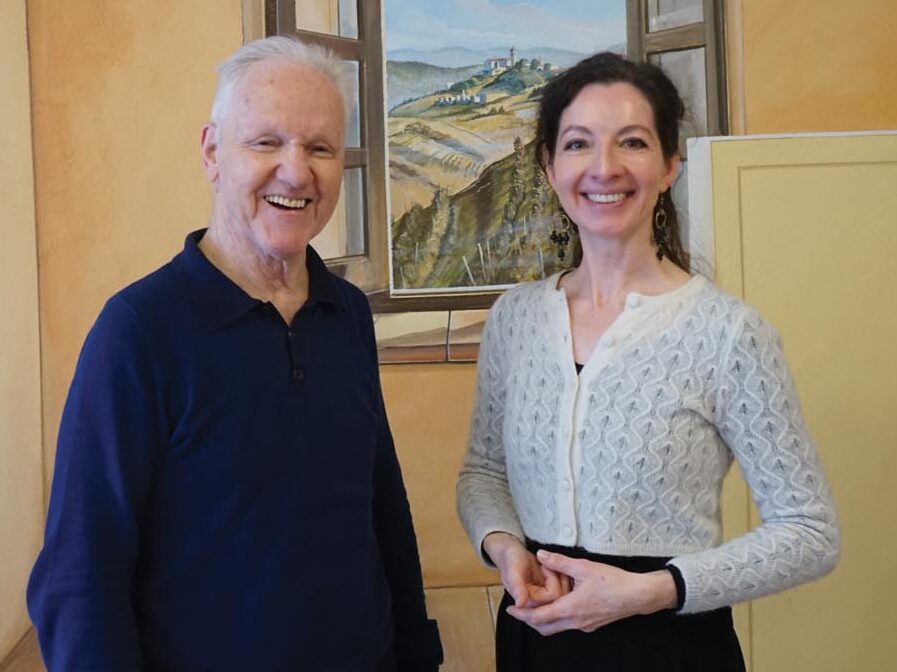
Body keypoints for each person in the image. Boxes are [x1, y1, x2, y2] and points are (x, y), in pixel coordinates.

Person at [28, 36, 442, 672]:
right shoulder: (138, 332)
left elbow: (382, 508)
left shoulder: (347, 314)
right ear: (212, 153)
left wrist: (418, 655)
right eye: (266, 142)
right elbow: (80, 579)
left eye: (320, 148)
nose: (296, 172)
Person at [457, 51, 840, 671]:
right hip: (536, 639)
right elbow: (482, 472)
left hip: (668, 645)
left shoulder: (727, 333)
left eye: (632, 142)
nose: (604, 167)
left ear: (668, 167)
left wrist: (653, 591)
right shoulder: (514, 319)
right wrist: (504, 548)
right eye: (578, 143)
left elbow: (810, 531)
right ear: (550, 167)